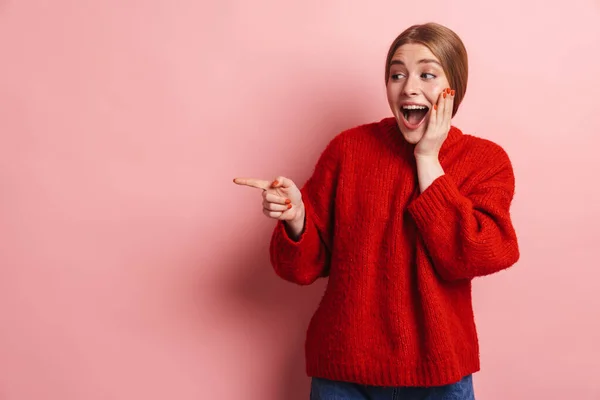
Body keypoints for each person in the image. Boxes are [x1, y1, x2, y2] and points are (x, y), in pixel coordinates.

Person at [234, 22, 519, 400]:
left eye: (427, 74)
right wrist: (297, 219)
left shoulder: (485, 161)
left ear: (455, 87)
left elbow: (470, 256)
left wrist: (428, 159)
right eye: (396, 74)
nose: (409, 87)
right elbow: (301, 268)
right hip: (343, 375)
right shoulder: (348, 149)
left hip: (439, 377)